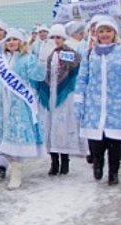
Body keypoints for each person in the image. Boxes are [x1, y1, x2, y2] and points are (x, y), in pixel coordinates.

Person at [75, 19, 121, 185]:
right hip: (95, 106)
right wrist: (79, 100)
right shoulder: (90, 54)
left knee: (115, 141)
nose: (105, 34)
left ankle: (114, 173)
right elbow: (82, 78)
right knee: (96, 141)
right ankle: (97, 164)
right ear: (96, 34)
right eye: (101, 31)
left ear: (115, 33)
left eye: (108, 31)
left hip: (118, 106)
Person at [0, 28, 47, 190]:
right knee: (2, 137)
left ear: (21, 42)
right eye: (9, 40)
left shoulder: (27, 59)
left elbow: (37, 77)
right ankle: (3, 165)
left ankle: (16, 174)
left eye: (15, 40)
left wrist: (42, 62)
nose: (11, 43)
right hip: (0, 104)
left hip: (19, 104)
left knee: (16, 138)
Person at [34, 24, 86, 176]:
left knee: (62, 127)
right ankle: (54, 161)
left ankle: (65, 160)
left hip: (64, 97)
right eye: (53, 37)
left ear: (63, 39)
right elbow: (39, 73)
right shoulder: (44, 53)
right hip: (48, 96)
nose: (55, 40)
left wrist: (70, 88)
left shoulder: (69, 54)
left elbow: (76, 72)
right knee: (49, 127)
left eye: (58, 37)